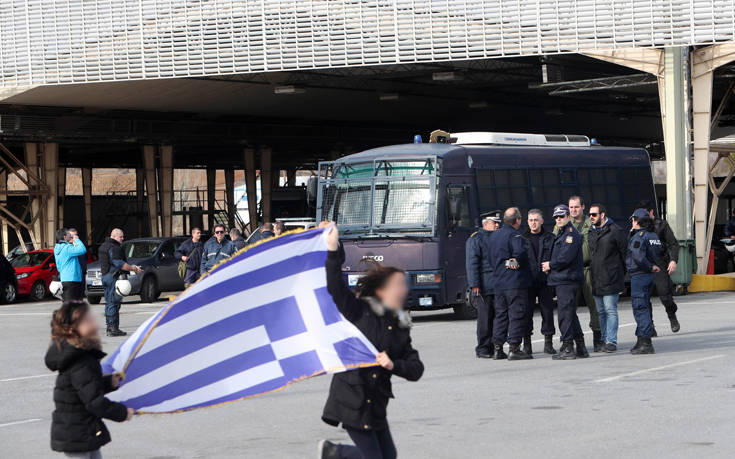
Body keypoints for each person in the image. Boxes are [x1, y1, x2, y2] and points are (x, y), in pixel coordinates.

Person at [318, 225, 424, 459]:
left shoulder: (399, 325)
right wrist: (333, 249)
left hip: (376, 403)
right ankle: (336, 453)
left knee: (388, 456)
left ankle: (334, 452)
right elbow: (334, 286)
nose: (402, 290)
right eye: (397, 285)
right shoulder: (359, 310)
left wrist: (393, 365)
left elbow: (416, 368)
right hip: (352, 398)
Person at [45, 301, 135, 457]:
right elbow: (95, 402)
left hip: (83, 428)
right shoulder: (79, 361)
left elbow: (86, 387)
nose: (94, 322)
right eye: (88, 320)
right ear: (73, 329)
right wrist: (122, 413)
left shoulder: (80, 354)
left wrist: (108, 383)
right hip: (77, 434)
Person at [543, 204, 589, 360]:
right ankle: (580, 346)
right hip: (563, 279)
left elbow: (565, 258)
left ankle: (568, 346)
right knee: (570, 314)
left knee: (565, 314)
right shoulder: (562, 233)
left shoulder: (570, 234)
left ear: (568, 217)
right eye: (556, 217)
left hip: (567, 280)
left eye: (561, 216)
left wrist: (550, 264)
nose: (558, 219)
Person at [488, 207, 532, 361]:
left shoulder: (494, 236)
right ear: (518, 220)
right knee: (516, 314)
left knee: (500, 315)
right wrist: (515, 261)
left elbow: (491, 258)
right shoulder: (515, 235)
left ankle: (498, 348)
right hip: (514, 282)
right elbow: (519, 253)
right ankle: (514, 348)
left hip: (498, 281)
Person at [637, 200, 681, 334]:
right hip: (644, 265)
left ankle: (672, 315)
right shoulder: (637, 227)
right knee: (644, 298)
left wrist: (673, 261)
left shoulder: (661, 225)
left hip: (660, 263)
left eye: (645, 214)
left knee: (665, 295)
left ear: (651, 213)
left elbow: (674, 244)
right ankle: (649, 326)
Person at [588, 204, 627, 353]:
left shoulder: (615, 231)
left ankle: (611, 341)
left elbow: (624, 254)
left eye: (594, 214)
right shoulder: (591, 232)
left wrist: (619, 275)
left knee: (610, 310)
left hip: (611, 278)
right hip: (596, 278)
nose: (591, 217)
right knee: (601, 312)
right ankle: (604, 339)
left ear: (602, 215)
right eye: (590, 214)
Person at [565, 196, 603, 352]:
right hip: (572, 271)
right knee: (570, 307)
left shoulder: (592, 223)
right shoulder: (563, 224)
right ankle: (575, 340)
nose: (574, 210)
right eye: (571, 207)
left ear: (583, 207)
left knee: (594, 305)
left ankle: (598, 339)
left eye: (576, 207)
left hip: (589, 270)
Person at [465, 210, 501, 358]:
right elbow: (472, 264)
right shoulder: (476, 239)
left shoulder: (499, 237)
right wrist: (475, 285)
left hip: (499, 285)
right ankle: (483, 348)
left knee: (499, 318)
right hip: (484, 286)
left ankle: (496, 345)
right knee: (485, 319)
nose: (498, 225)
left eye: (499, 222)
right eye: (495, 223)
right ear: (486, 223)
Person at [626, 208, 662, 354]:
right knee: (644, 305)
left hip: (640, 274)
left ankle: (646, 342)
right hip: (648, 275)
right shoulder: (653, 235)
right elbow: (659, 252)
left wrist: (649, 266)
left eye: (633, 220)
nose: (632, 223)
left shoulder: (639, 237)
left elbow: (638, 257)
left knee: (640, 307)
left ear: (638, 221)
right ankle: (641, 339)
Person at [98, 229, 142, 337]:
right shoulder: (115, 247)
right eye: (121, 237)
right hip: (113, 277)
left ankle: (110, 326)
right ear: (114, 236)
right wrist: (133, 268)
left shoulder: (103, 246)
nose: (123, 239)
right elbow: (119, 264)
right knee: (114, 302)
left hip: (105, 276)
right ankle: (113, 329)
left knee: (109, 302)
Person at [523, 209, 556, 355]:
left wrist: (552, 265)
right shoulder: (521, 238)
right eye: (530, 220)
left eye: (536, 220)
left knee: (547, 313)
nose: (533, 223)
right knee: (526, 313)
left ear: (542, 221)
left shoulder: (550, 238)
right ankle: (527, 345)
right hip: (527, 282)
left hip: (545, 281)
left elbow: (556, 257)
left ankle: (548, 343)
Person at [53, 228, 87, 302]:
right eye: (69, 234)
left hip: (65, 279)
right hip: (72, 279)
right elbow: (82, 250)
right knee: (73, 304)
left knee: (68, 302)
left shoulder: (58, 248)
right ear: (64, 237)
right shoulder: (67, 248)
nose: (71, 236)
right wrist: (76, 239)